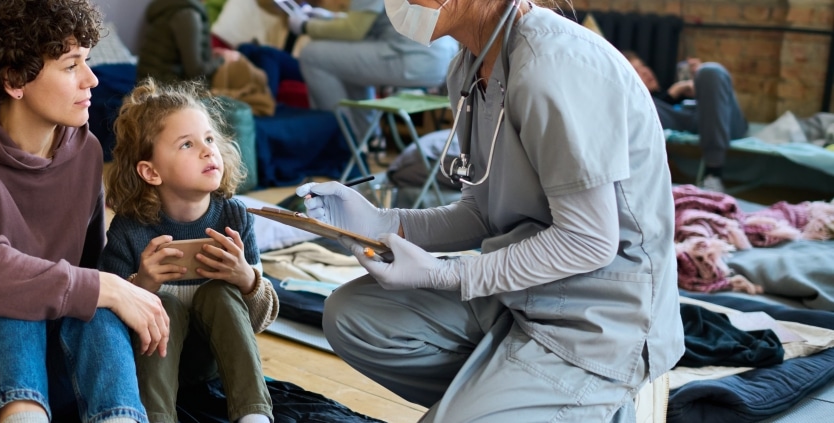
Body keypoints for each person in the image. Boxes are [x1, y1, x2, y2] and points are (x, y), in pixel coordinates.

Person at [296, 1, 684, 421]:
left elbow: (587, 241)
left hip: (597, 321)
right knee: (352, 316)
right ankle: (510, 398)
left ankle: (585, 400)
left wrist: (447, 274)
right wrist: (386, 223)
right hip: (521, 294)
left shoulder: (554, 64)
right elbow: (483, 211)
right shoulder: (467, 69)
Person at [0, 1, 169, 422]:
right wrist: (104, 287)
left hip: (54, 362)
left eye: (87, 61)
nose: (92, 78)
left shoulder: (87, 150)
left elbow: (91, 269)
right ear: (14, 80)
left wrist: (134, 283)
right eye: (71, 65)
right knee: (6, 285)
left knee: (93, 297)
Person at [100, 78, 279, 423]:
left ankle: (254, 416)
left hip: (212, 366)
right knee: (163, 303)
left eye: (209, 139)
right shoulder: (129, 229)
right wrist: (142, 285)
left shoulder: (234, 216)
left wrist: (246, 279)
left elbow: (259, 321)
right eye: (187, 144)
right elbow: (108, 334)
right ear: (151, 171)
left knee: (220, 293)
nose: (208, 150)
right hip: (152, 369)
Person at [287, 0, 459, 139]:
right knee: (344, 63)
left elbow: (354, 31)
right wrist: (330, 17)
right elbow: (368, 22)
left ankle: (341, 139)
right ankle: (368, 139)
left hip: (411, 58)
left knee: (312, 54)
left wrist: (305, 26)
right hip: (444, 61)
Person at [626, 52, 748, 192]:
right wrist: (672, 94)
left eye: (643, 66)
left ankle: (713, 172)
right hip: (684, 123)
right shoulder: (646, 105)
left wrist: (703, 85)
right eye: (636, 70)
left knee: (710, 71)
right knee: (640, 102)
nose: (645, 71)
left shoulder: (676, 86)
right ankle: (713, 174)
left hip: (725, 122)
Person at [137, 0, 244, 84]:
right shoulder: (188, 15)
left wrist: (213, 57)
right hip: (163, 90)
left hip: (151, 84)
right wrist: (223, 59)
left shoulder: (174, 7)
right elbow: (195, 72)